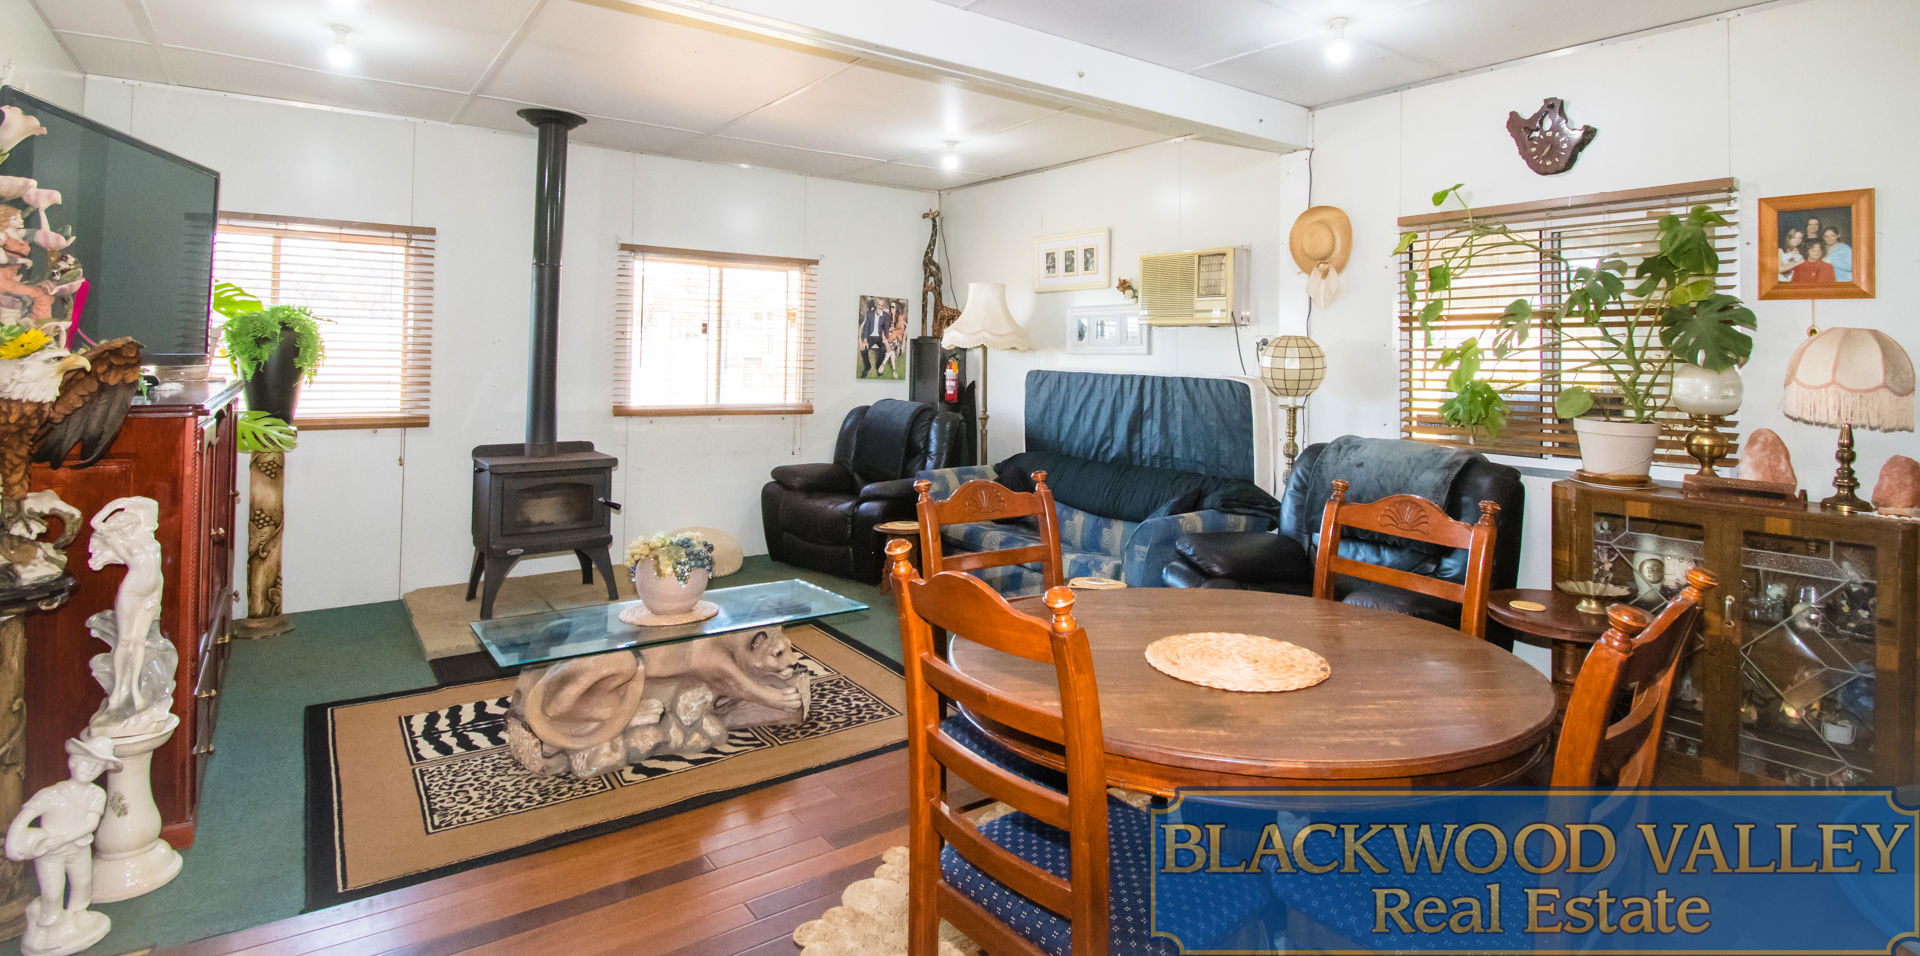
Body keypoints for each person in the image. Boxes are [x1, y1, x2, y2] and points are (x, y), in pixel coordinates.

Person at [5, 736, 120, 956]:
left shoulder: (97, 794)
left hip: (79, 849)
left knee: (83, 883)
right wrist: (13, 845)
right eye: (86, 762)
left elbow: (91, 824)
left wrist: (65, 838)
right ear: (72, 762)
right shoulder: (50, 795)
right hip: (50, 853)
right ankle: (48, 924)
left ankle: (77, 915)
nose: (90, 769)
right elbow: (23, 818)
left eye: (98, 766)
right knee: (52, 892)